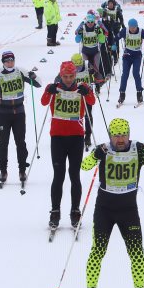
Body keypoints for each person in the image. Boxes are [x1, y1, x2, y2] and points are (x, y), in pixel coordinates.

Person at [80, 118, 144, 288]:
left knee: (137, 254)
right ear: (110, 135)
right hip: (105, 209)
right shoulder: (103, 150)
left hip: (128, 210)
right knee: (97, 252)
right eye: (116, 135)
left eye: (123, 135)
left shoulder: (139, 149)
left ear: (129, 134)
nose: (120, 139)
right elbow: (84, 167)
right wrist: (94, 156)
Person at [42, 60, 94, 229]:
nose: (69, 79)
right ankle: (55, 211)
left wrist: (87, 91)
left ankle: (75, 211)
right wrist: (48, 91)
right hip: (57, 137)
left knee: (74, 175)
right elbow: (43, 102)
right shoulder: (54, 87)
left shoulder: (80, 87)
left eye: (71, 76)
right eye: (65, 76)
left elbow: (91, 101)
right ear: (61, 75)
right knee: (58, 175)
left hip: (76, 137)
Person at [0, 51, 41, 184]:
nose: (10, 63)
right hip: (2, 113)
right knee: (3, 142)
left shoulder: (20, 71)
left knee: (20, 141)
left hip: (18, 112)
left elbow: (38, 84)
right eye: (7, 61)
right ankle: (3, 170)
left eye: (12, 60)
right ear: (3, 62)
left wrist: (33, 76)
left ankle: (22, 169)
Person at [71, 53, 105, 150]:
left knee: (88, 115)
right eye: (75, 67)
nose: (77, 68)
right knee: (75, 116)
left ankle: (88, 136)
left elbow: (99, 77)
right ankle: (76, 135)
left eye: (79, 66)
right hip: (74, 96)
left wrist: (93, 73)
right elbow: (59, 78)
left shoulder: (87, 65)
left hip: (87, 94)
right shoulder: (69, 67)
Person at [116, 19, 144, 106]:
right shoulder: (125, 31)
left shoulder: (141, 31)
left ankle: (139, 94)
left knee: (136, 74)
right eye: (131, 27)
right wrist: (113, 44)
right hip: (127, 56)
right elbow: (116, 38)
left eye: (134, 27)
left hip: (137, 56)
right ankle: (122, 94)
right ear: (129, 26)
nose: (133, 29)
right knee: (125, 74)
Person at [76, 12, 110, 85]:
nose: (90, 23)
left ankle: (97, 86)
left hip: (95, 52)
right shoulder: (83, 28)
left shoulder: (97, 28)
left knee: (96, 69)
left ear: (94, 21)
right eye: (89, 22)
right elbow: (77, 40)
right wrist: (79, 34)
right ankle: (88, 83)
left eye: (92, 22)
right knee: (86, 69)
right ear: (86, 21)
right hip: (85, 52)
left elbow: (102, 40)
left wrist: (101, 34)